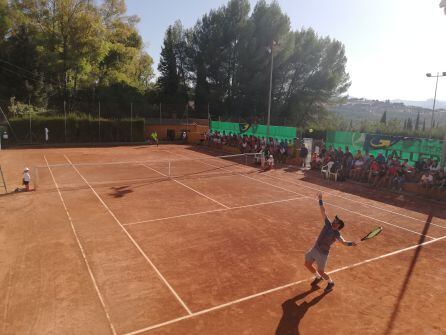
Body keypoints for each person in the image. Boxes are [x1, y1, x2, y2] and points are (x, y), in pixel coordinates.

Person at [304, 192, 358, 292]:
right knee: (307, 264)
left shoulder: (336, 234)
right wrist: (320, 199)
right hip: (315, 248)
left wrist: (351, 243)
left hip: (323, 254)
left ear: (338, 225)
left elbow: (343, 242)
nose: (334, 220)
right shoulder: (328, 224)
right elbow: (323, 211)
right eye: (334, 220)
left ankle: (330, 282)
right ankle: (318, 277)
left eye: (336, 221)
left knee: (321, 271)